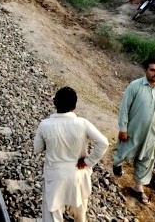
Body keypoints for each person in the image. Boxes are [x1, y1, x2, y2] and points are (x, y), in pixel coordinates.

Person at [33, 87, 109, 222]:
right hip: (78, 175)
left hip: (55, 176)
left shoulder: (45, 125)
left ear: (55, 103)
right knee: (80, 210)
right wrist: (88, 161)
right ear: (74, 106)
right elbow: (103, 143)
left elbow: (37, 149)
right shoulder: (83, 123)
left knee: (53, 212)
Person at [112, 58, 155, 204]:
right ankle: (117, 164)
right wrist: (123, 128)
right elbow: (124, 108)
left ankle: (138, 187)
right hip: (133, 131)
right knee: (123, 152)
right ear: (145, 71)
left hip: (153, 134)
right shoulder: (135, 86)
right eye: (152, 70)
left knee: (147, 160)